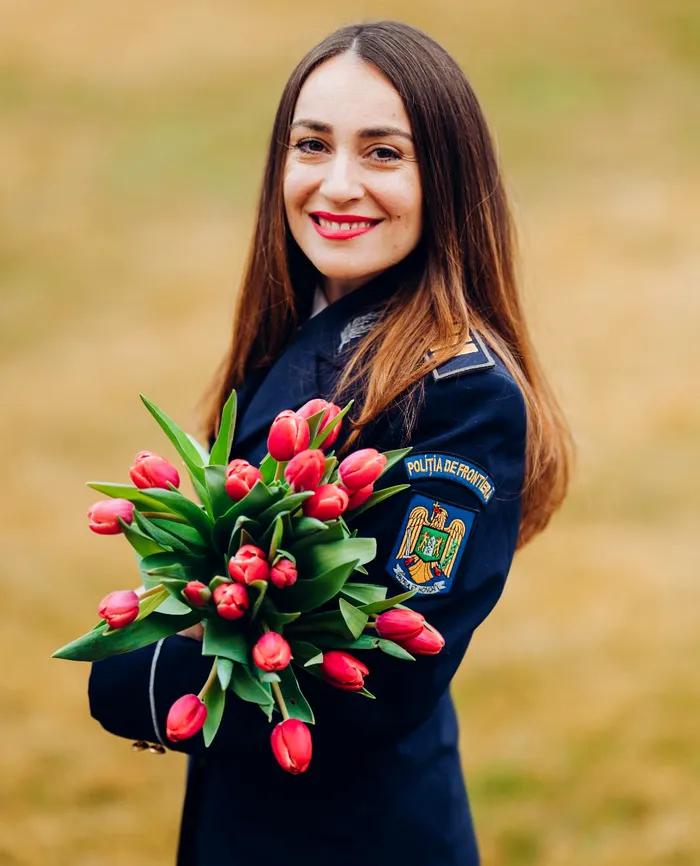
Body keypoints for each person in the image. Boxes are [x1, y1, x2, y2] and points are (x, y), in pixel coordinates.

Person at [88, 19, 572, 866]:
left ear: (447, 180)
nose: (337, 184)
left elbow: (381, 680)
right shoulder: (301, 322)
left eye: (384, 153)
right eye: (312, 145)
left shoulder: (461, 398)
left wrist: (138, 678)